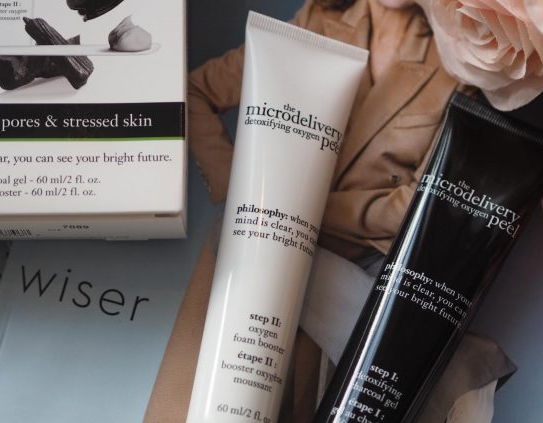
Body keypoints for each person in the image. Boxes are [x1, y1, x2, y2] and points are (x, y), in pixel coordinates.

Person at [188, 0, 456, 260]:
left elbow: (421, 204)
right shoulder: (316, 19)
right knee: (227, 247)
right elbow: (195, 92)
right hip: (269, 234)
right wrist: (238, 186)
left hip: (366, 262)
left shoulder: (458, 65)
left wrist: (296, 205)